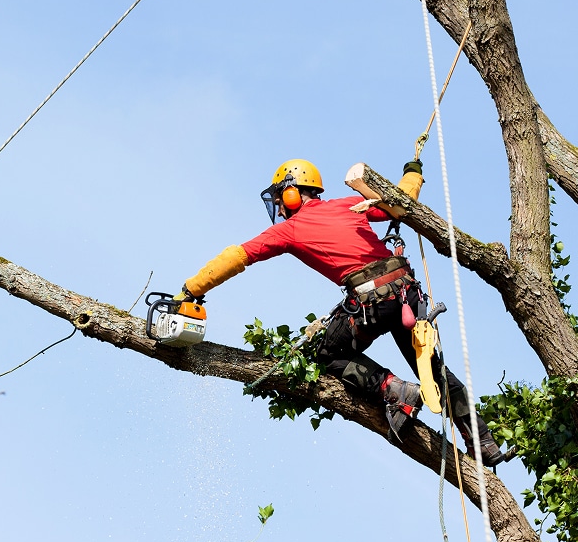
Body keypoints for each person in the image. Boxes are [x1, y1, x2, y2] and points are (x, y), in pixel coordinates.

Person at [175, 158, 510, 467]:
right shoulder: (349, 204)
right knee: (433, 370)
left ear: (292, 192)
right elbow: (402, 202)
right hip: (405, 294)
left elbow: (238, 256)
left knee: (326, 353)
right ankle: (483, 441)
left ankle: (394, 389)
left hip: (373, 302)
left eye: (280, 197)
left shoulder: (289, 230)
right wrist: (413, 171)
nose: (279, 205)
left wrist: (192, 289)